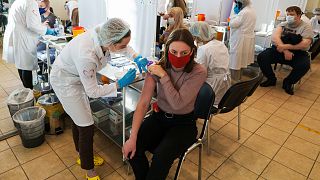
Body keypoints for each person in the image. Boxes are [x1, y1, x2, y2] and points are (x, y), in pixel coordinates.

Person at [49, 18, 148, 180]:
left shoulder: (105, 31)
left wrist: (136, 56)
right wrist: (119, 84)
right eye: (122, 46)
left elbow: (124, 45)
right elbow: (93, 91)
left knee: (79, 119)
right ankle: (89, 171)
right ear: (110, 43)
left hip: (78, 76)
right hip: (66, 82)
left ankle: (82, 155)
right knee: (86, 126)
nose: (125, 48)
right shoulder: (86, 56)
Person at [122, 28, 207, 179]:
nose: (178, 57)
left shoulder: (198, 71)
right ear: (167, 49)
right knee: (132, 150)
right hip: (159, 117)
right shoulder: (156, 67)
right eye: (174, 52)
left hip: (184, 124)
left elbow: (178, 104)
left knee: (161, 158)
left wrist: (163, 75)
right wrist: (132, 137)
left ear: (192, 52)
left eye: (184, 53)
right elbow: (143, 103)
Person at [257, 6, 313, 95]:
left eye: (292, 14)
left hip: (298, 53)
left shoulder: (306, 27)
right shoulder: (283, 24)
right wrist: (285, 51)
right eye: (287, 14)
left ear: (299, 15)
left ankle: (288, 82)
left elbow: (305, 44)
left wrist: (285, 46)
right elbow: (275, 38)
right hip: (280, 50)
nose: (289, 16)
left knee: (304, 65)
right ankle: (271, 79)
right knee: (262, 57)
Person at [2, 0, 57, 89]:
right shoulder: (31, 2)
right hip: (23, 36)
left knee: (20, 63)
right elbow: (32, 25)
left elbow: (26, 15)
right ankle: (29, 89)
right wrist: (47, 31)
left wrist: (36, 12)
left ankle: (26, 87)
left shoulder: (19, 1)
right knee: (26, 64)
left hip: (16, 34)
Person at [190, 21, 231, 105]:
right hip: (225, 84)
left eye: (195, 37)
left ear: (198, 37)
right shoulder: (221, 44)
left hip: (212, 87)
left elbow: (200, 71)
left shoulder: (204, 49)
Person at [229, 0, 256, 81]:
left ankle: (234, 81)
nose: (236, 6)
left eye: (237, 3)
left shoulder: (244, 12)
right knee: (241, 61)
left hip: (240, 40)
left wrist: (234, 14)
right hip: (246, 39)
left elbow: (232, 24)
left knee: (235, 61)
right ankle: (238, 79)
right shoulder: (252, 11)